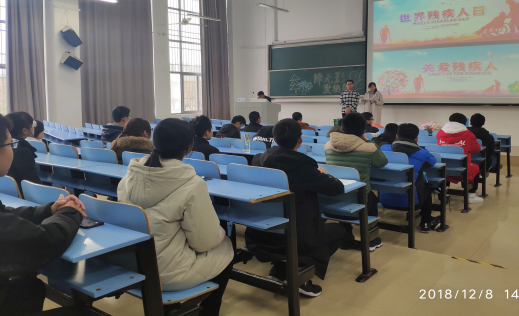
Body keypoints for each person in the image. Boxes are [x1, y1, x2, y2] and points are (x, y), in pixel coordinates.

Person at [0, 109, 85, 316]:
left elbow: (1, 216)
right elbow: (45, 241)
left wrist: (49, 210)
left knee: (30, 288)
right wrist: (71, 212)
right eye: (10, 144)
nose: (13, 149)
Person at [117, 119, 234, 316]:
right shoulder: (192, 184)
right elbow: (204, 243)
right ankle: (208, 309)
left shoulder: (129, 177)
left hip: (133, 263)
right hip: (167, 273)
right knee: (227, 247)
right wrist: (220, 232)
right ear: (189, 147)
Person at [245, 119, 347, 297]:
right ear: (300, 139)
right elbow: (337, 188)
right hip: (293, 235)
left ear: (274, 139)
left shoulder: (258, 159)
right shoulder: (303, 164)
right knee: (339, 230)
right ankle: (300, 272)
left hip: (261, 231)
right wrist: (322, 174)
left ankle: (280, 269)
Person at [324, 112, 388, 251]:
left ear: (342, 129)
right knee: (371, 198)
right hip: (359, 200)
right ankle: (372, 240)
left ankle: (346, 238)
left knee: (344, 191)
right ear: (363, 131)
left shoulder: (328, 145)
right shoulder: (368, 147)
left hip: (331, 199)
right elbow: (382, 162)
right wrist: (369, 141)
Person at [379, 124, 439, 233]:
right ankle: (425, 223)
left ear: (396, 136)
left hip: (384, 200)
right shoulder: (422, 153)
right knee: (426, 188)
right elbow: (433, 162)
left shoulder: (383, 149)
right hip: (412, 203)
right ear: (416, 139)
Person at [436, 113, 483, 204]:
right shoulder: (469, 135)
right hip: (463, 168)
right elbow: (477, 149)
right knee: (475, 168)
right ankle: (471, 195)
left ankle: (444, 193)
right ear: (464, 123)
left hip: (442, 167)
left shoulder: (440, 133)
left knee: (446, 168)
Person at [6, 112, 43, 190]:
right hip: (21, 193)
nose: (34, 126)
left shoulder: (5, 146)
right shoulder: (23, 151)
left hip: (7, 190)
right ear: (25, 130)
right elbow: (32, 181)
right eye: (32, 124)